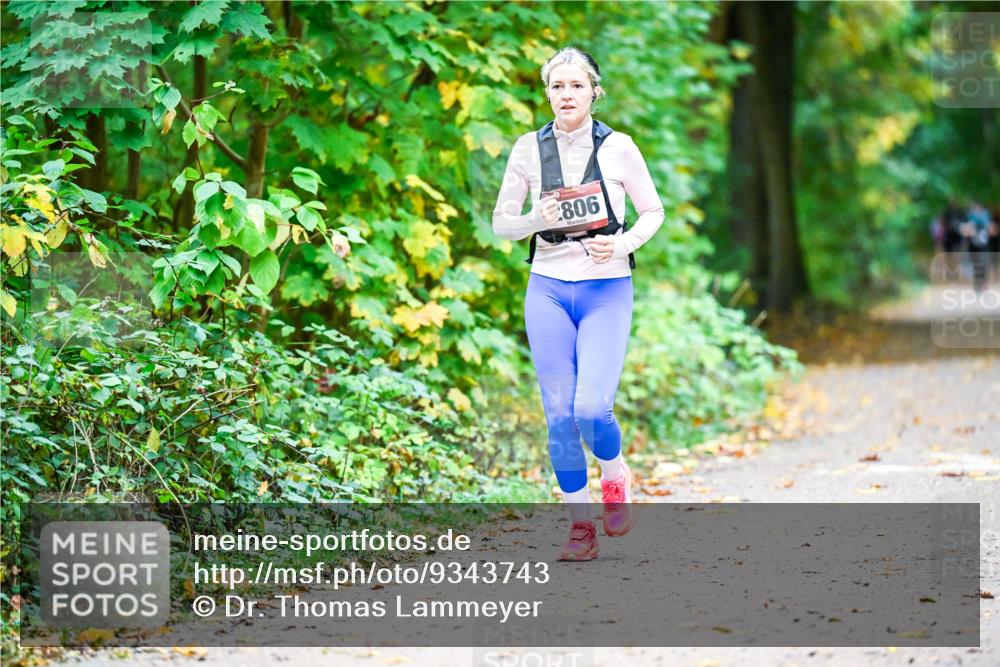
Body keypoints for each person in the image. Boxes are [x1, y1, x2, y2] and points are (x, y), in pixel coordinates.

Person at [492, 47, 665, 561]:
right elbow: (502, 223)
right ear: (547, 93)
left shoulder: (619, 148)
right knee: (558, 417)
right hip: (547, 287)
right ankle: (580, 528)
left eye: (576, 85)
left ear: (594, 91)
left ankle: (614, 475)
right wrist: (535, 220)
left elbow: (653, 211)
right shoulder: (528, 149)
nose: (566, 94)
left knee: (591, 409)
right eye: (557, 86)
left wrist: (623, 244)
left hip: (605, 289)